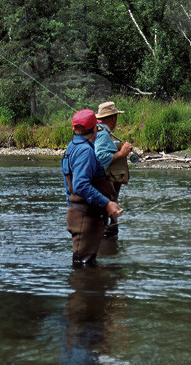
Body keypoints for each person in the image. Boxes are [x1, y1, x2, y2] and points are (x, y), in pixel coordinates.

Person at [62, 109, 122, 266]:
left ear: (75, 129)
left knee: (84, 265)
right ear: (95, 128)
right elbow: (81, 185)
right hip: (84, 218)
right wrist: (107, 203)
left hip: (80, 214)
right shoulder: (85, 151)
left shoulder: (73, 146)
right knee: (84, 266)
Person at [93, 102, 132, 238]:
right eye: (115, 116)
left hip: (101, 184)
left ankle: (108, 237)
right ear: (112, 118)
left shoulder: (97, 130)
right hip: (104, 182)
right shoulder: (103, 134)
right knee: (107, 224)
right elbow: (100, 157)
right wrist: (122, 153)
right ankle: (108, 235)